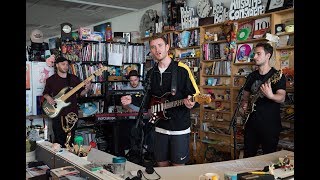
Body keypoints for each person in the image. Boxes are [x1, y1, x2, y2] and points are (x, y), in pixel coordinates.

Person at [121, 35, 200, 167]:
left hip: (179, 128)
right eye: (153, 47)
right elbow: (147, 98)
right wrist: (132, 99)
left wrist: (192, 102)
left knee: (177, 168)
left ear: (167, 47)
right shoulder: (151, 73)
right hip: (159, 127)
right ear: (151, 51)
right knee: (161, 165)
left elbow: (196, 94)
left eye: (160, 45)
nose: (157, 50)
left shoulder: (182, 69)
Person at [241, 42, 286, 158]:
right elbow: (245, 96)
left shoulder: (277, 76)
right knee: (248, 158)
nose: (254, 57)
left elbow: (282, 97)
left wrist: (271, 96)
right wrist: (245, 105)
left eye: (258, 54)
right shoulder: (251, 76)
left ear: (268, 56)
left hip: (270, 126)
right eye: (254, 54)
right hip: (251, 125)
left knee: (268, 159)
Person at [42, 56, 91, 148]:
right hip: (57, 113)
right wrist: (48, 98)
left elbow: (81, 93)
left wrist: (87, 88)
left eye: (67, 64)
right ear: (57, 65)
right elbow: (45, 93)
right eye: (63, 64)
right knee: (58, 141)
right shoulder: (51, 80)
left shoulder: (74, 79)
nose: (66, 66)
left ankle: (70, 159)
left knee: (71, 140)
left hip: (72, 114)